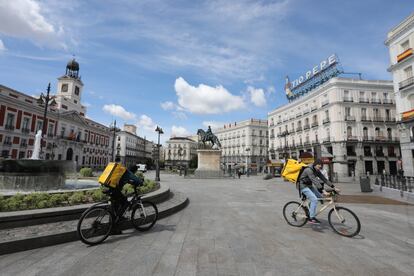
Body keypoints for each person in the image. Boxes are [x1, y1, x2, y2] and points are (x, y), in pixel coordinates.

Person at [108, 164, 143, 234]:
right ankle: (119, 218)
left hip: (110, 187)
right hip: (115, 190)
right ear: (135, 171)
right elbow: (137, 180)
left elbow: (127, 180)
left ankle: (113, 229)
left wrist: (131, 182)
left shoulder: (123, 172)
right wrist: (141, 182)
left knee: (116, 206)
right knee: (125, 201)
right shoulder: (129, 173)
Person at [298, 159, 335, 224]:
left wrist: (333, 187)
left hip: (309, 186)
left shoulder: (317, 170)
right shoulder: (309, 170)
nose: (319, 168)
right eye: (319, 166)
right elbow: (315, 181)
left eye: (321, 167)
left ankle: (309, 210)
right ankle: (311, 218)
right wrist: (323, 191)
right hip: (302, 186)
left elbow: (324, 179)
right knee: (314, 199)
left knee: (319, 196)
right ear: (315, 165)